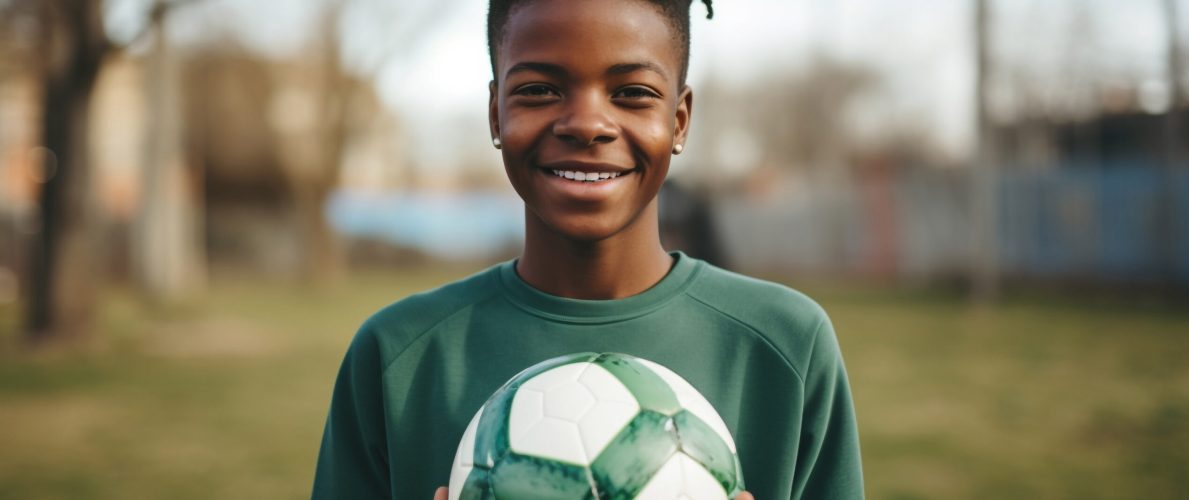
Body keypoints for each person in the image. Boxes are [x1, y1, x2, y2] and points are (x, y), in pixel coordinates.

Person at [311, 0, 865, 499]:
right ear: (495, 113)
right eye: (539, 90)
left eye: (632, 94)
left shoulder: (785, 347)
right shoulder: (398, 357)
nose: (587, 124)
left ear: (679, 119)